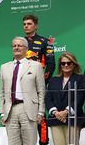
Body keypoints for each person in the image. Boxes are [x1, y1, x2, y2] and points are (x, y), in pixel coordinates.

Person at [0, 36, 45, 145]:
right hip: (10, 110)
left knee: (30, 142)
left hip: (28, 108)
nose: (16, 48)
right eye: (14, 45)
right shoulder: (4, 67)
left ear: (26, 49)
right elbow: (1, 92)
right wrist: (2, 113)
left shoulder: (36, 66)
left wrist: (41, 111)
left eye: (19, 45)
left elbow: (41, 90)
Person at [23, 14, 55, 145]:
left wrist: (42, 83)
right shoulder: (20, 42)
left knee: (40, 115)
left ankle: (43, 142)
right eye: (24, 24)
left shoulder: (45, 42)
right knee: (24, 115)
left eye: (29, 24)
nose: (26, 26)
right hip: (23, 85)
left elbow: (51, 65)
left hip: (38, 85)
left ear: (35, 26)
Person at [45, 52, 85, 145]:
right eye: (63, 63)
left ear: (74, 64)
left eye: (69, 63)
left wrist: (66, 112)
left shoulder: (81, 79)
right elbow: (48, 98)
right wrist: (55, 112)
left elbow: (80, 97)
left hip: (73, 119)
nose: (66, 65)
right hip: (55, 119)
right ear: (60, 65)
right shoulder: (53, 80)